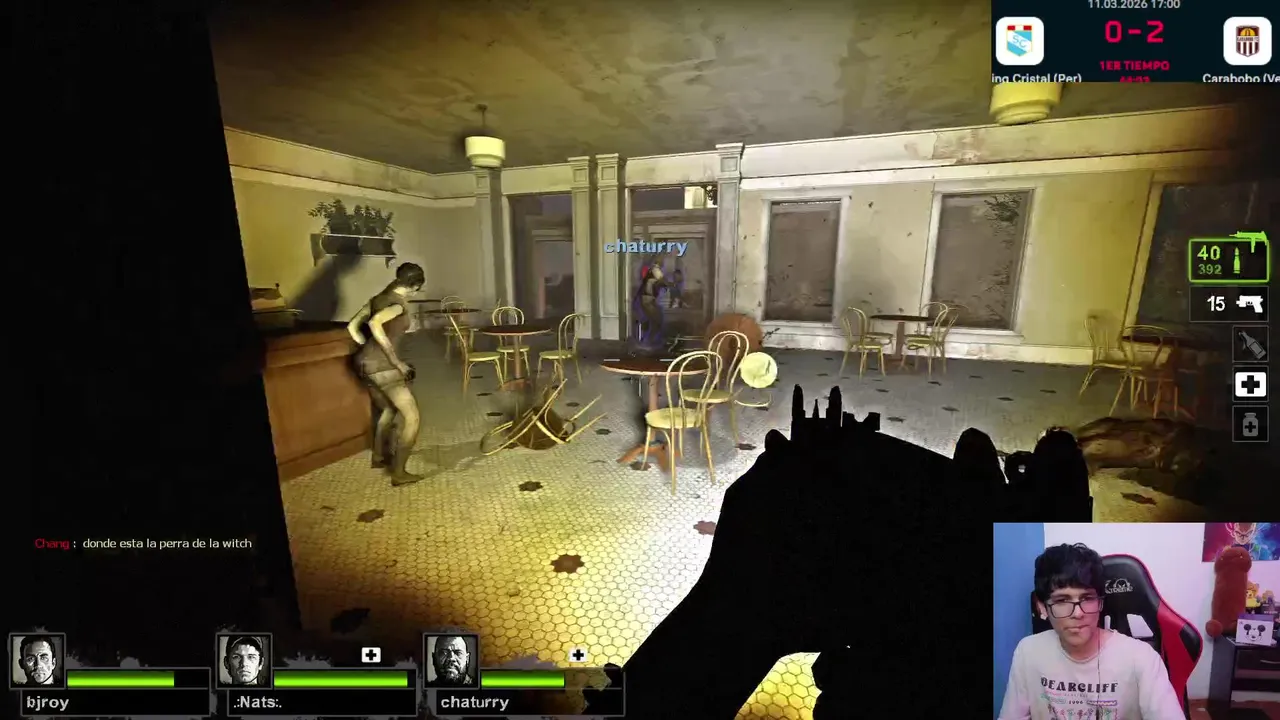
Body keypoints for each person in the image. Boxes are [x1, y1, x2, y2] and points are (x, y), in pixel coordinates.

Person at [998, 544, 1184, 720]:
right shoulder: (1028, 653)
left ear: (1100, 602)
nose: (1078, 613)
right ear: (1042, 607)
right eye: (1062, 600)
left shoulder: (1141, 659)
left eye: (1087, 598)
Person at [347, 262, 426, 486]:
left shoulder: (377, 299)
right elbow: (375, 323)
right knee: (412, 417)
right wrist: (395, 361)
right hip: (383, 366)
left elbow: (352, 327)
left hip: (364, 363)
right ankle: (399, 473)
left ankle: (378, 456)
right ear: (415, 286)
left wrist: (366, 349)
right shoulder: (398, 305)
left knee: (389, 409)